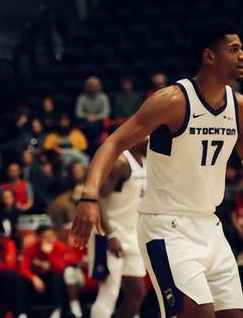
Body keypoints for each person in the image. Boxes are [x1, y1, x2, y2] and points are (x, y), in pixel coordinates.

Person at [72, 20, 243, 318]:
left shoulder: (238, 106)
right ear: (209, 56)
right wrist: (89, 197)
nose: (242, 55)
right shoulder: (173, 100)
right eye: (234, 49)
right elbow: (113, 143)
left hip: (211, 226)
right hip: (168, 228)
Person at [89, 140, 147, 318]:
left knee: (136, 294)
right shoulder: (121, 163)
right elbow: (95, 199)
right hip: (109, 234)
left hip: (131, 235)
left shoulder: (147, 161)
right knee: (109, 293)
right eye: (148, 135)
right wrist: (111, 235)